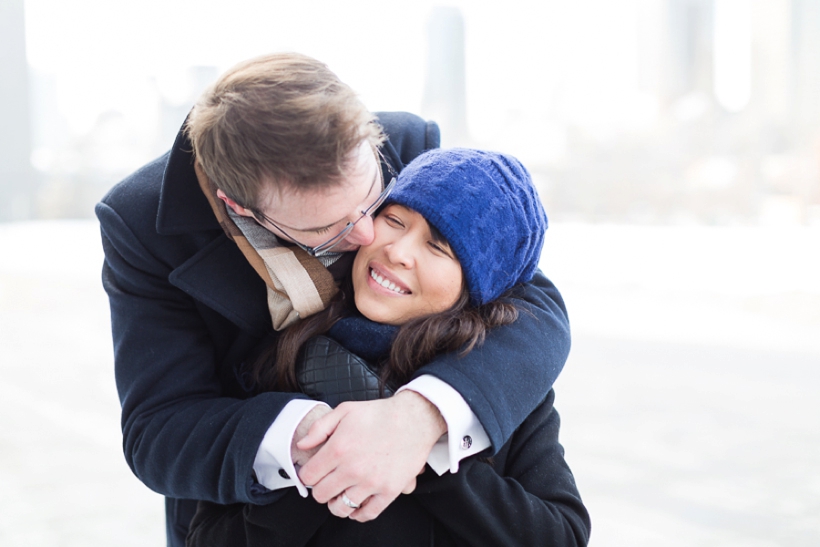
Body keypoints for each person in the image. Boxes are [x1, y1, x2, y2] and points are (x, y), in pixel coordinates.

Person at [95, 53, 571, 546]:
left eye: (376, 201)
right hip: (259, 505)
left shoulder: (407, 144)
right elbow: (160, 429)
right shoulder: (140, 224)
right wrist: (326, 437)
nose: (368, 233)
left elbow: (526, 299)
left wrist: (417, 419)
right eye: (330, 227)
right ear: (241, 209)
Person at [187, 148, 590, 546]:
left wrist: (423, 449)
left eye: (437, 246)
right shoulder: (284, 354)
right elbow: (206, 537)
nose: (397, 252)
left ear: (476, 285)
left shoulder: (489, 386)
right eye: (394, 220)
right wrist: (322, 465)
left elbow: (563, 534)